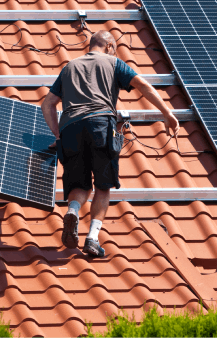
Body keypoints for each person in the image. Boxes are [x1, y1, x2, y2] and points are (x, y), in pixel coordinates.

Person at [41, 30, 180, 257]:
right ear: (109, 46)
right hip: (100, 125)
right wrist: (167, 112)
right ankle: (92, 239)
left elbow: (47, 104)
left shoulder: (69, 67)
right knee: (103, 185)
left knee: (80, 184)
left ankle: (74, 211)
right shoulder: (114, 63)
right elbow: (143, 86)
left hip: (70, 129)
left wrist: (58, 136)